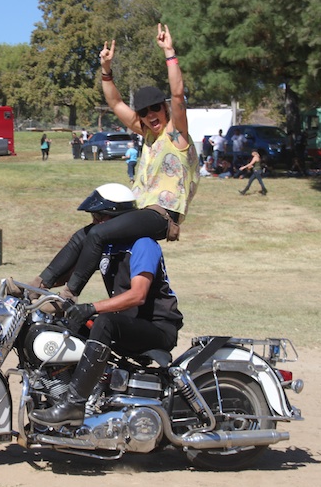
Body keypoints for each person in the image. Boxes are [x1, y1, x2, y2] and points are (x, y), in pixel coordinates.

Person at [26, 24, 198, 306]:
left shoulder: (176, 135)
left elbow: (178, 95)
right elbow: (115, 101)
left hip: (162, 215)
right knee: (83, 235)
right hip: (141, 210)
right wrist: (106, 69)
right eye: (144, 112)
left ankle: (68, 295)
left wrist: (169, 52)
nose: (151, 114)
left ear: (164, 108)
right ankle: (36, 286)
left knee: (100, 234)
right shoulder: (148, 136)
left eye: (156, 108)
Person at [28, 184, 184, 427]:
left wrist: (92, 307)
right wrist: (34, 288)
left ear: (119, 219)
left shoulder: (143, 245)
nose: (96, 222)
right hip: (128, 323)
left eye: (101, 217)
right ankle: (53, 394)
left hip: (157, 328)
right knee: (63, 325)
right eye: (94, 217)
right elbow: (67, 273)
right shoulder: (108, 246)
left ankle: (74, 404)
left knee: (104, 321)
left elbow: (138, 296)